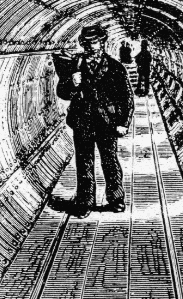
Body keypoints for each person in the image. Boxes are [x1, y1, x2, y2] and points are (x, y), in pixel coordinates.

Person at [54, 24, 134, 218]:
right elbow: (62, 92)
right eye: (87, 43)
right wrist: (72, 83)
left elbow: (126, 97)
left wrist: (124, 122)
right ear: (83, 44)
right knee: (84, 163)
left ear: (102, 42)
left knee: (110, 160)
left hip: (106, 122)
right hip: (82, 120)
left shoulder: (115, 67)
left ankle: (116, 199)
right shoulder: (74, 65)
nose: (91, 46)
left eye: (95, 42)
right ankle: (85, 202)